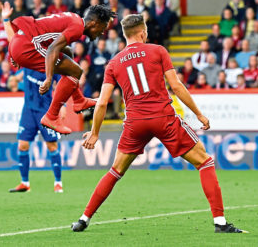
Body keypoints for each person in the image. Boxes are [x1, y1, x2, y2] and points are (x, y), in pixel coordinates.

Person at [71, 14, 246, 234]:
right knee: (205, 162)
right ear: (143, 32)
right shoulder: (158, 51)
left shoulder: (113, 63)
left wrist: (95, 133)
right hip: (163, 118)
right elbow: (177, 87)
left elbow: (103, 102)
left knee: (115, 171)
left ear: (125, 36)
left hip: (135, 123)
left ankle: (83, 219)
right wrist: (199, 115)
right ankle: (220, 222)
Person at [1, 2, 116, 135]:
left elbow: (47, 38)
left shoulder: (74, 18)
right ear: (94, 23)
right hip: (27, 47)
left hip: (20, 41)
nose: (101, 33)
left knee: (68, 54)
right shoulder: (77, 28)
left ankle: (79, 100)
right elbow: (52, 49)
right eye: (101, 29)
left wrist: (13, 51)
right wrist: (49, 78)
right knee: (76, 71)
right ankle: (51, 116)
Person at [9, 69, 64, 194]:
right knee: (22, 145)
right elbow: (16, 78)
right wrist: (14, 79)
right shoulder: (27, 63)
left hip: (45, 111)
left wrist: (63, 105)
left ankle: (58, 183)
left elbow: (62, 86)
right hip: (28, 111)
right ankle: (25, 183)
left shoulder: (52, 65)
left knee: (51, 146)